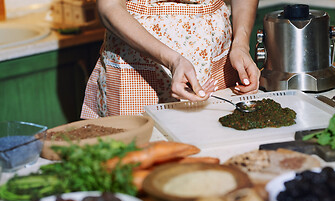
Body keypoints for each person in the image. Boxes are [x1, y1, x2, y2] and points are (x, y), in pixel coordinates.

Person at [81, 0, 260, 118]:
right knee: (135, 162)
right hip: (137, 64)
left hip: (216, 59)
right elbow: (109, 7)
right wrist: (173, 60)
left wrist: (241, 45)